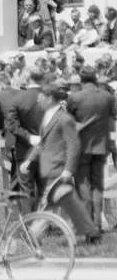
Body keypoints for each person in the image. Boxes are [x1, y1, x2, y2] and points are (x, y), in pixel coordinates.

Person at [21, 82, 100, 243]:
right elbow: (43, 143)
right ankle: (92, 233)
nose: (38, 100)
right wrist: (29, 160)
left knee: (48, 202)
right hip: (51, 167)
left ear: (50, 98)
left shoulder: (64, 119)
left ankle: (32, 235)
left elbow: (74, 145)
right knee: (68, 202)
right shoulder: (48, 116)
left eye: (41, 97)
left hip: (58, 168)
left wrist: (69, 169)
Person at [64, 67, 114, 232]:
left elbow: (68, 120)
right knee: (97, 185)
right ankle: (97, 224)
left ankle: (88, 226)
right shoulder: (108, 97)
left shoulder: (75, 98)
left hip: (82, 146)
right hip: (101, 145)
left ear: (81, 80)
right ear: (95, 79)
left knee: (83, 185)